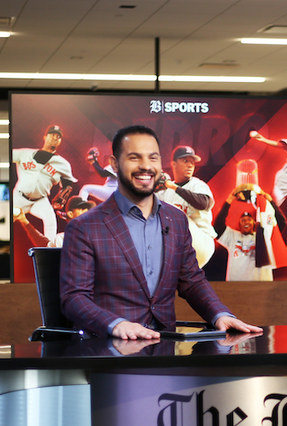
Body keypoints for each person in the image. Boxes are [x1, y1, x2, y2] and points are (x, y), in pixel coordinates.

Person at [60, 124, 262, 340]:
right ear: (114, 164)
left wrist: (219, 314)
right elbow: (74, 298)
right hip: (108, 351)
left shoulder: (176, 220)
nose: (145, 166)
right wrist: (116, 325)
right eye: (134, 157)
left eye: (153, 158)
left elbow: (191, 280)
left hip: (164, 348)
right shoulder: (84, 226)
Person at [13, 125, 77, 242]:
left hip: (40, 201)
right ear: (45, 137)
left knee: (50, 219)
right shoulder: (24, 154)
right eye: (52, 134)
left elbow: (68, 184)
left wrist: (62, 196)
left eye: (58, 137)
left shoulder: (63, 164)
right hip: (18, 198)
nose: (55, 137)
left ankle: (49, 251)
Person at [156, 145, 217, 268]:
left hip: (201, 241)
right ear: (173, 164)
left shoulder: (197, 184)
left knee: (173, 211)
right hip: (180, 249)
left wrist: (172, 186)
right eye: (185, 161)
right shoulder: (165, 192)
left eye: (192, 162)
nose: (190, 165)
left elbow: (204, 203)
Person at [15, 196, 95, 248]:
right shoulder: (62, 239)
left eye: (87, 208)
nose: (86, 211)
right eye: (82, 209)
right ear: (70, 214)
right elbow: (44, 246)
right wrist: (24, 221)